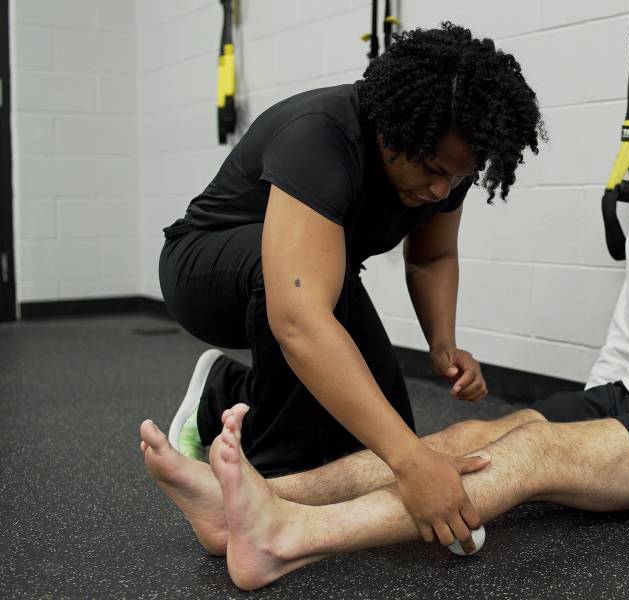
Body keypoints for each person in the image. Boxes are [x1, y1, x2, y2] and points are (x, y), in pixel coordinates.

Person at [140, 34, 629, 589]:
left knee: (525, 455)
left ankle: (285, 533)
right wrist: (592, 411)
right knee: (468, 437)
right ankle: (249, 499)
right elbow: (627, 346)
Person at [151, 22, 544, 552]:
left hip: (315, 286)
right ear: (394, 130)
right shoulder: (320, 134)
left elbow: (432, 255)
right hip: (204, 269)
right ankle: (257, 495)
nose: (440, 190)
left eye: (456, 178)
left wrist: (442, 343)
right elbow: (299, 320)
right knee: (389, 445)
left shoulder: (448, 160)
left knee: (373, 435)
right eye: (432, 170)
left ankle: (223, 396)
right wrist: (409, 460)